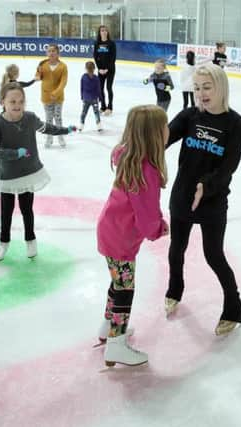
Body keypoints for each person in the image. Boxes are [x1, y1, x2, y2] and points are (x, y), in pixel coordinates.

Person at [164, 64, 241, 336]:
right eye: (197, 88)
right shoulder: (189, 116)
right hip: (182, 196)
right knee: (177, 250)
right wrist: (138, 142)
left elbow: (228, 168)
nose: (201, 93)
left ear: (221, 87)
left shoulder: (236, 124)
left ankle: (233, 309)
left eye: (207, 87)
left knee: (214, 256)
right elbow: (163, 138)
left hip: (212, 200)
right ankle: (175, 290)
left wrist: (206, 186)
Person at [96, 105, 170, 367]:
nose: (168, 130)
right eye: (165, 126)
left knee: (117, 283)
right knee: (125, 288)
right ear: (153, 134)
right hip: (121, 238)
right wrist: (160, 228)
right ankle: (116, 344)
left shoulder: (126, 155)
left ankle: (108, 327)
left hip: (111, 230)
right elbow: (147, 216)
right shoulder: (145, 170)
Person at [0, 82, 76, 262]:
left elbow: (47, 128)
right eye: (12, 102)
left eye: (20, 101)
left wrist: (66, 129)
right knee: (6, 211)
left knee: (27, 209)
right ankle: (3, 243)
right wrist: (13, 154)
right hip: (8, 176)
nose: (17, 105)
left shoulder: (30, 118)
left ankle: (31, 240)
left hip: (28, 172)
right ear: (3, 102)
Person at [36, 44, 68, 148]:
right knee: (48, 118)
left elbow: (63, 82)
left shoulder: (63, 66)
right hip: (46, 96)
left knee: (58, 117)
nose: (51, 53)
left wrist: (56, 92)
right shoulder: (42, 64)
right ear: (46, 53)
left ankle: (60, 136)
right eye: (49, 51)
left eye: (53, 51)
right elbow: (38, 76)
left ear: (58, 53)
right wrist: (38, 74)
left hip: (58, 97)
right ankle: (49, 137)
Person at [93, 25, 116, 115]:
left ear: (107, 32)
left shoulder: (111, 43)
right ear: (99, 32)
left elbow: (113, 58)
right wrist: (99, 69)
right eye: (102, 30)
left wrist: (107, 69)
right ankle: (103, 106)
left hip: (110, 69)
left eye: (105, 30)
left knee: (109, 88)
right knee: (100, 89)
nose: (104, 32)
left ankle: (110, 107)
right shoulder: (97, 43)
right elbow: (95, 56)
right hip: (100, 70)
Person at [79, 61, 103, 132]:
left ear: (86, 68)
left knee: (84, 112)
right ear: (94, 68)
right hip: (94, 98)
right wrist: (100, 97)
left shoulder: (83, 77)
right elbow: (98, 89)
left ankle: (81, 125)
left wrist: (82, 96)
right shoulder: (96, 78)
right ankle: (99, 126)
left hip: (86, 98)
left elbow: (81, 88)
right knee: (96, 112)